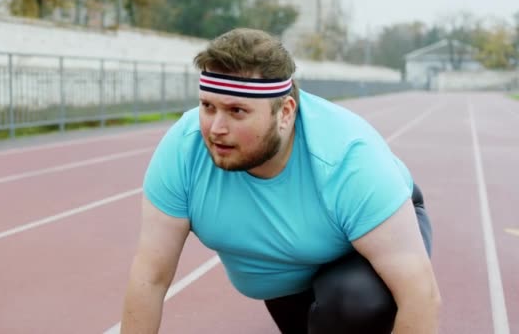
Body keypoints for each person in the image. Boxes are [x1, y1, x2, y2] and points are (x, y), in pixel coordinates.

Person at [120, 28, 441, 334]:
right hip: (287, 273)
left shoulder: (349, 160)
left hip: (354, 248)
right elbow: (151, 276)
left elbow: (420, 295)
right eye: (207, 106)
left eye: (236, 111)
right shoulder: (184, 149)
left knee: (356, 303)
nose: (216, 127)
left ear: (285, 112)